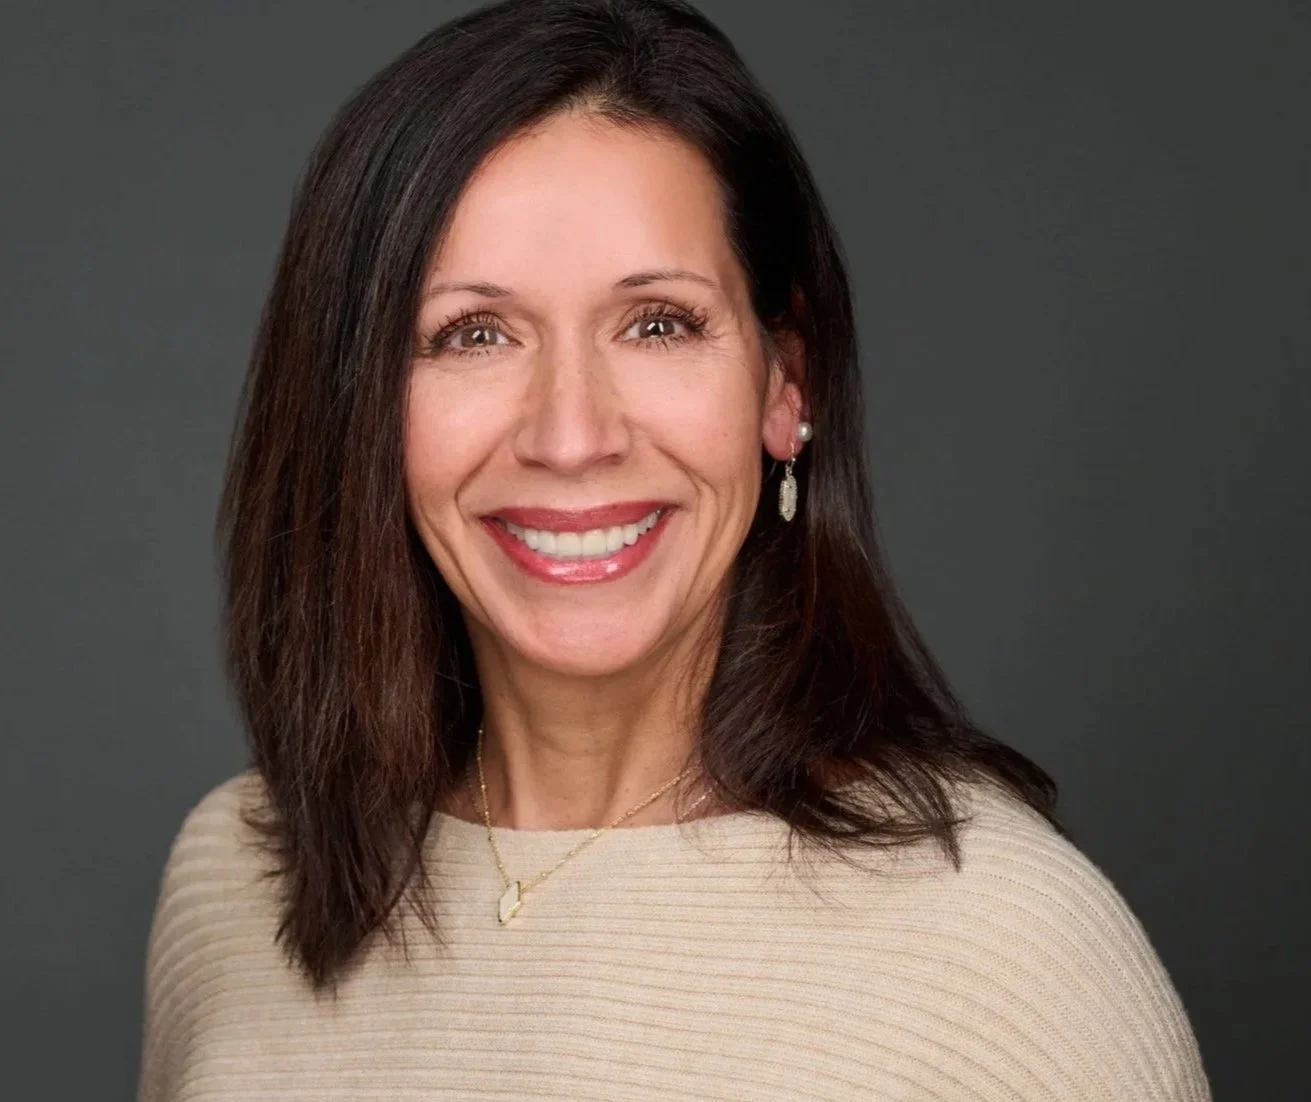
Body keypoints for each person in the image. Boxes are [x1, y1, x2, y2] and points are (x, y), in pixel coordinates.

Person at [137, 0, 1211, 1098]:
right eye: (473, 333)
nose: (571, 436)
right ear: (357, 403)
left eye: (657, 323)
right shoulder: (237, 880)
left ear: (784, 382)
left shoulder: (1008, 954)